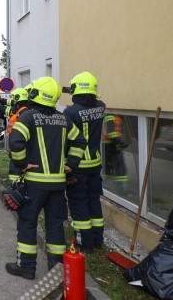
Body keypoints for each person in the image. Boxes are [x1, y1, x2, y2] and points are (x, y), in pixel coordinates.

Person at [6, 77, 86, 280]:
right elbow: (80, 141)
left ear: (35, 94)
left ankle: (26, 268)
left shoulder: (28, 117)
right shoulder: (64, 119)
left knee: (27, 224)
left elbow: (15, 143)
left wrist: (22, 164)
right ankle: (57, 271)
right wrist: (71, 165)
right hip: (58, 186)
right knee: (55, 225)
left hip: (34, 184)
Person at [63, 72, 106, 252]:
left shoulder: (70, 112)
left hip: (78, 164)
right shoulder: (101, 107)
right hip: (95, 164)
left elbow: (67, 140)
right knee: (94, 201)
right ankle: (97, 240)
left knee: (79, 203)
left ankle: (84, 244)